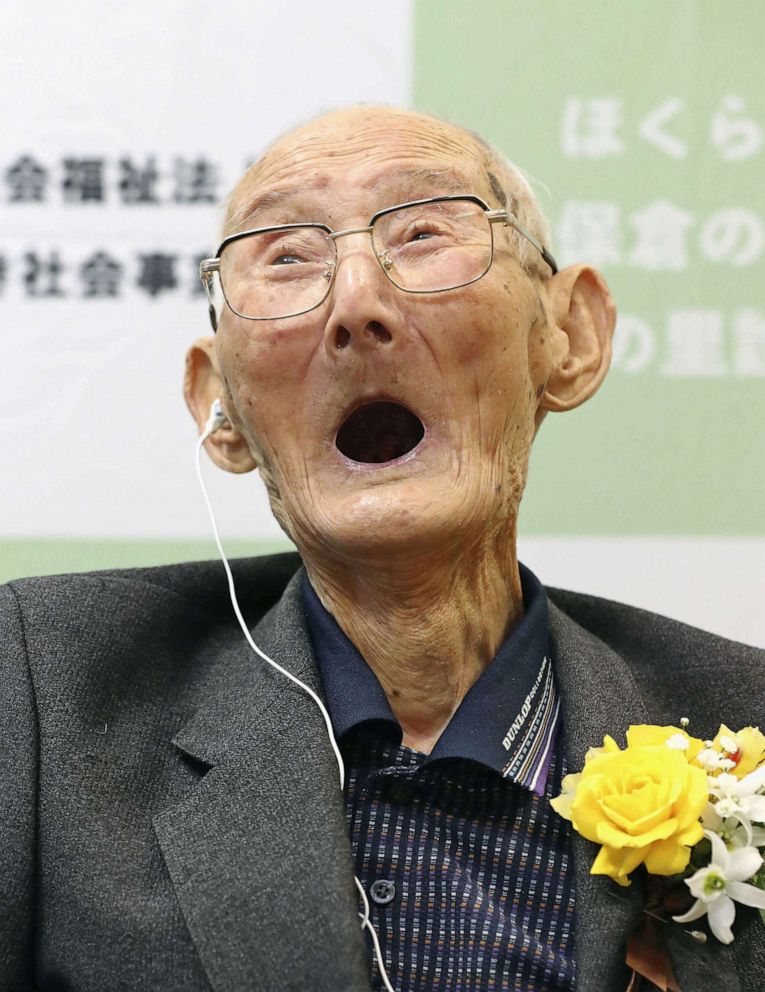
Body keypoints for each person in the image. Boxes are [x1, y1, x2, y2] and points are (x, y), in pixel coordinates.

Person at [1, 106, 762, 992]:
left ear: (569, 338)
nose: (357, 305)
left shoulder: (740, 722)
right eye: (286, 256)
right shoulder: (46, 691)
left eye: (424, 232)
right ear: (219, 408)